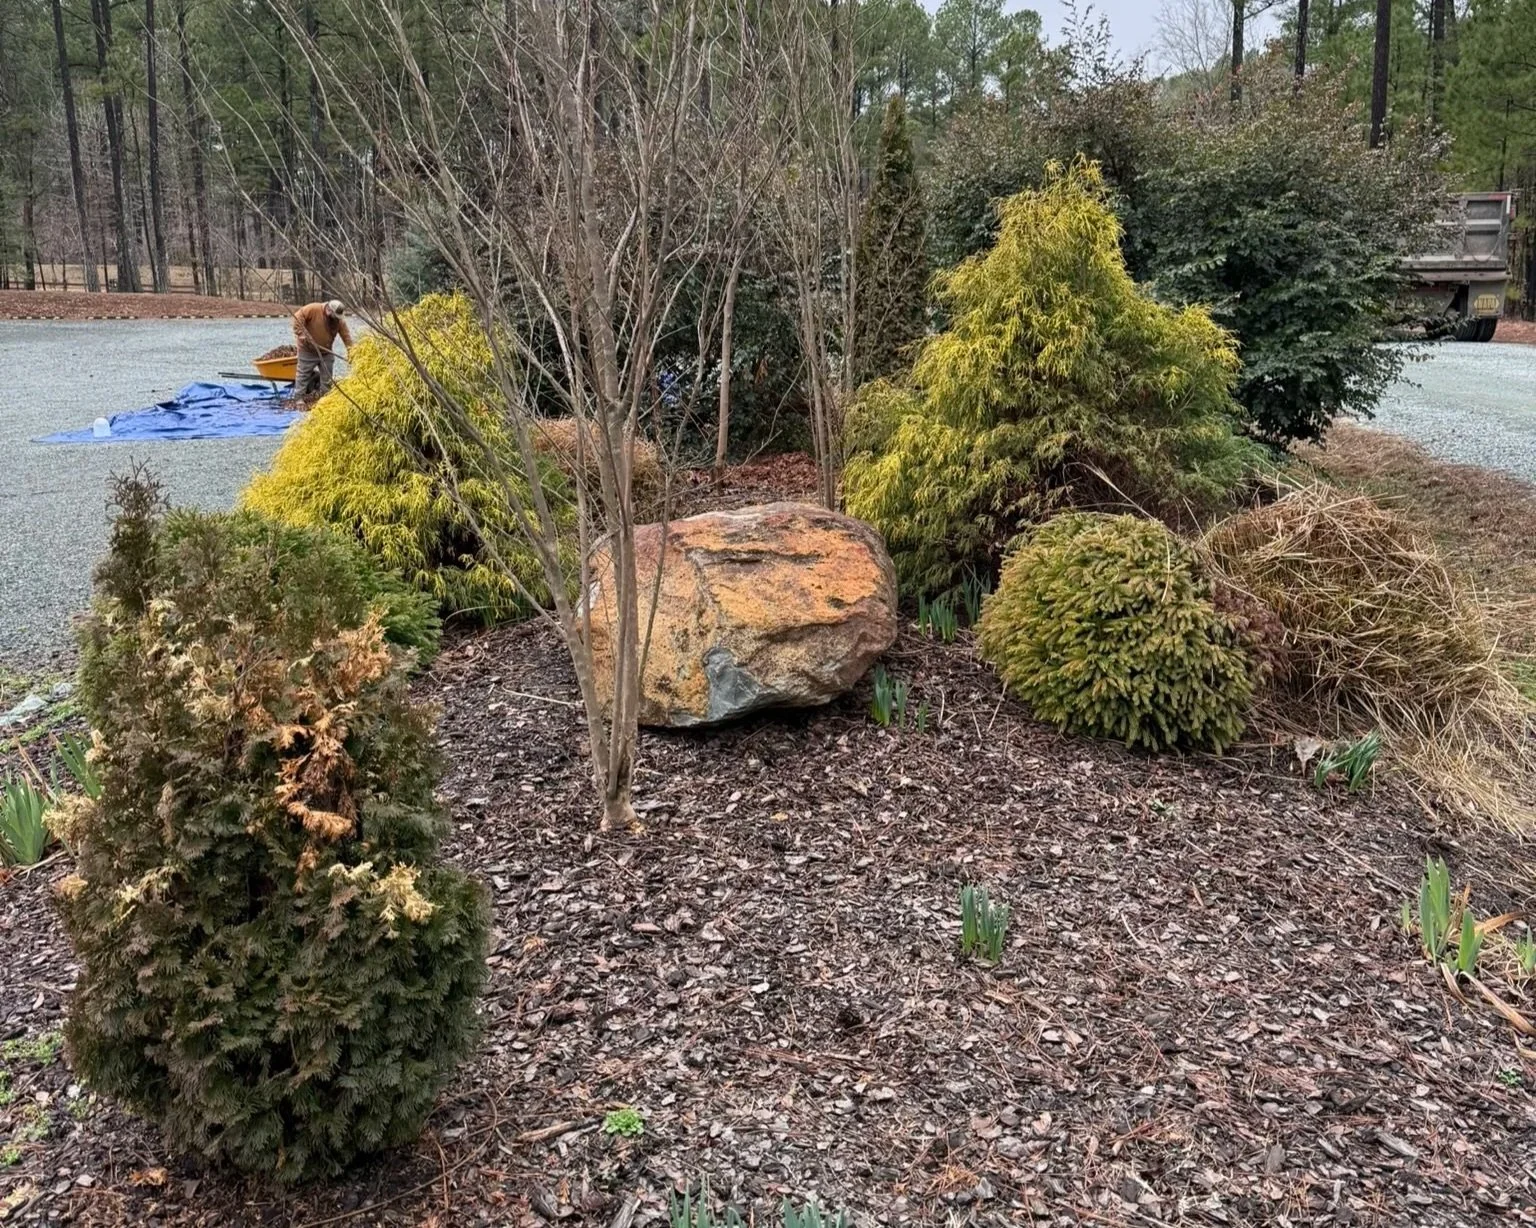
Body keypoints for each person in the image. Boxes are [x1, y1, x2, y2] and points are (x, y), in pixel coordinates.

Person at [291, 299, 353, 398]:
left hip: (326, 352)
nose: (336, 319)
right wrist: (303, 335)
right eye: (335, 316)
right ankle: (299, 398)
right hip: (308, 351)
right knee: (303, 375)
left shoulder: (339, 322)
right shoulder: (313, 309)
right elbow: (297, 318)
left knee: (327, 377)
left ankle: (325, 397)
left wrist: (352, 353)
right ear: (329, 310)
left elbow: (346, 337)